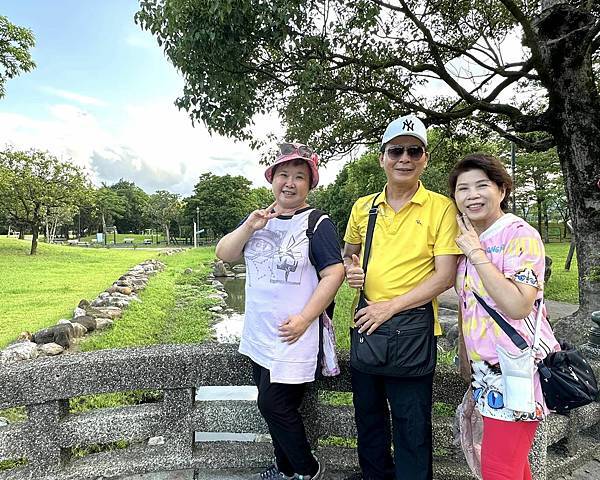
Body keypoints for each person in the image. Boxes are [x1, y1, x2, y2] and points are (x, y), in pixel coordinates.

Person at [215, 142, 345, 480]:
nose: (290, 182)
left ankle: (308, 471)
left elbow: (335, 273)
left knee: (273, 405)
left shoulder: (317, 223)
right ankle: (286, 470)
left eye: (299, 177)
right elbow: (225, 254)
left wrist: (305, 319)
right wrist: (249, 226)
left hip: (294, 334)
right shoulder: (260, 220)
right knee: (274, 409)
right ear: (272, 179)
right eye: (283, 174)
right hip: (259, 333)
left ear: (309, 184)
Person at [343, 114, 462, 480]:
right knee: (369, 420)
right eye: (396, 151)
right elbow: (348, 251)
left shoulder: (441, 207)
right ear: (382, 158)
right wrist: (351, 267)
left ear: (425, 158)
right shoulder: (364, 206)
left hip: (410, 329)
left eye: (414, 150)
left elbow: (444, 276)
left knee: (412, 427)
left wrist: (391, 306)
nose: (404, 158)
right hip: (366, 326)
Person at [450, 153, 560, 480]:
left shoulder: (518, 234)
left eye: (481, 185)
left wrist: (476, 254)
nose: (472, 195)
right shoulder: (474, 239)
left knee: (499, 470)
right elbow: (469, 305)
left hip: (517, 369)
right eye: (462, 189)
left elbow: (517, 306)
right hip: (487, 371)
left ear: (501, 189)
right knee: (512, 467)